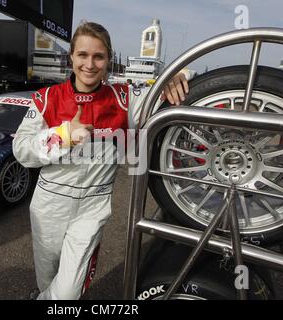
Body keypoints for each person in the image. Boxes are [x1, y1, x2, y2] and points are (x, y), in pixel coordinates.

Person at [13, 21, 189, 300]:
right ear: (71, 56)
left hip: (93, 206)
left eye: (98, 56)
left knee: (68, 292)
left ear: (108, 59)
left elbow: (164, 97)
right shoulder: (46, 99)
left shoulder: (125, 98)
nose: (90, 64)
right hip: (49, 204)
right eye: (82, 55)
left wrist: (173, 79)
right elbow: (21, 150)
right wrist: (62, 135)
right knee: (46, 279)